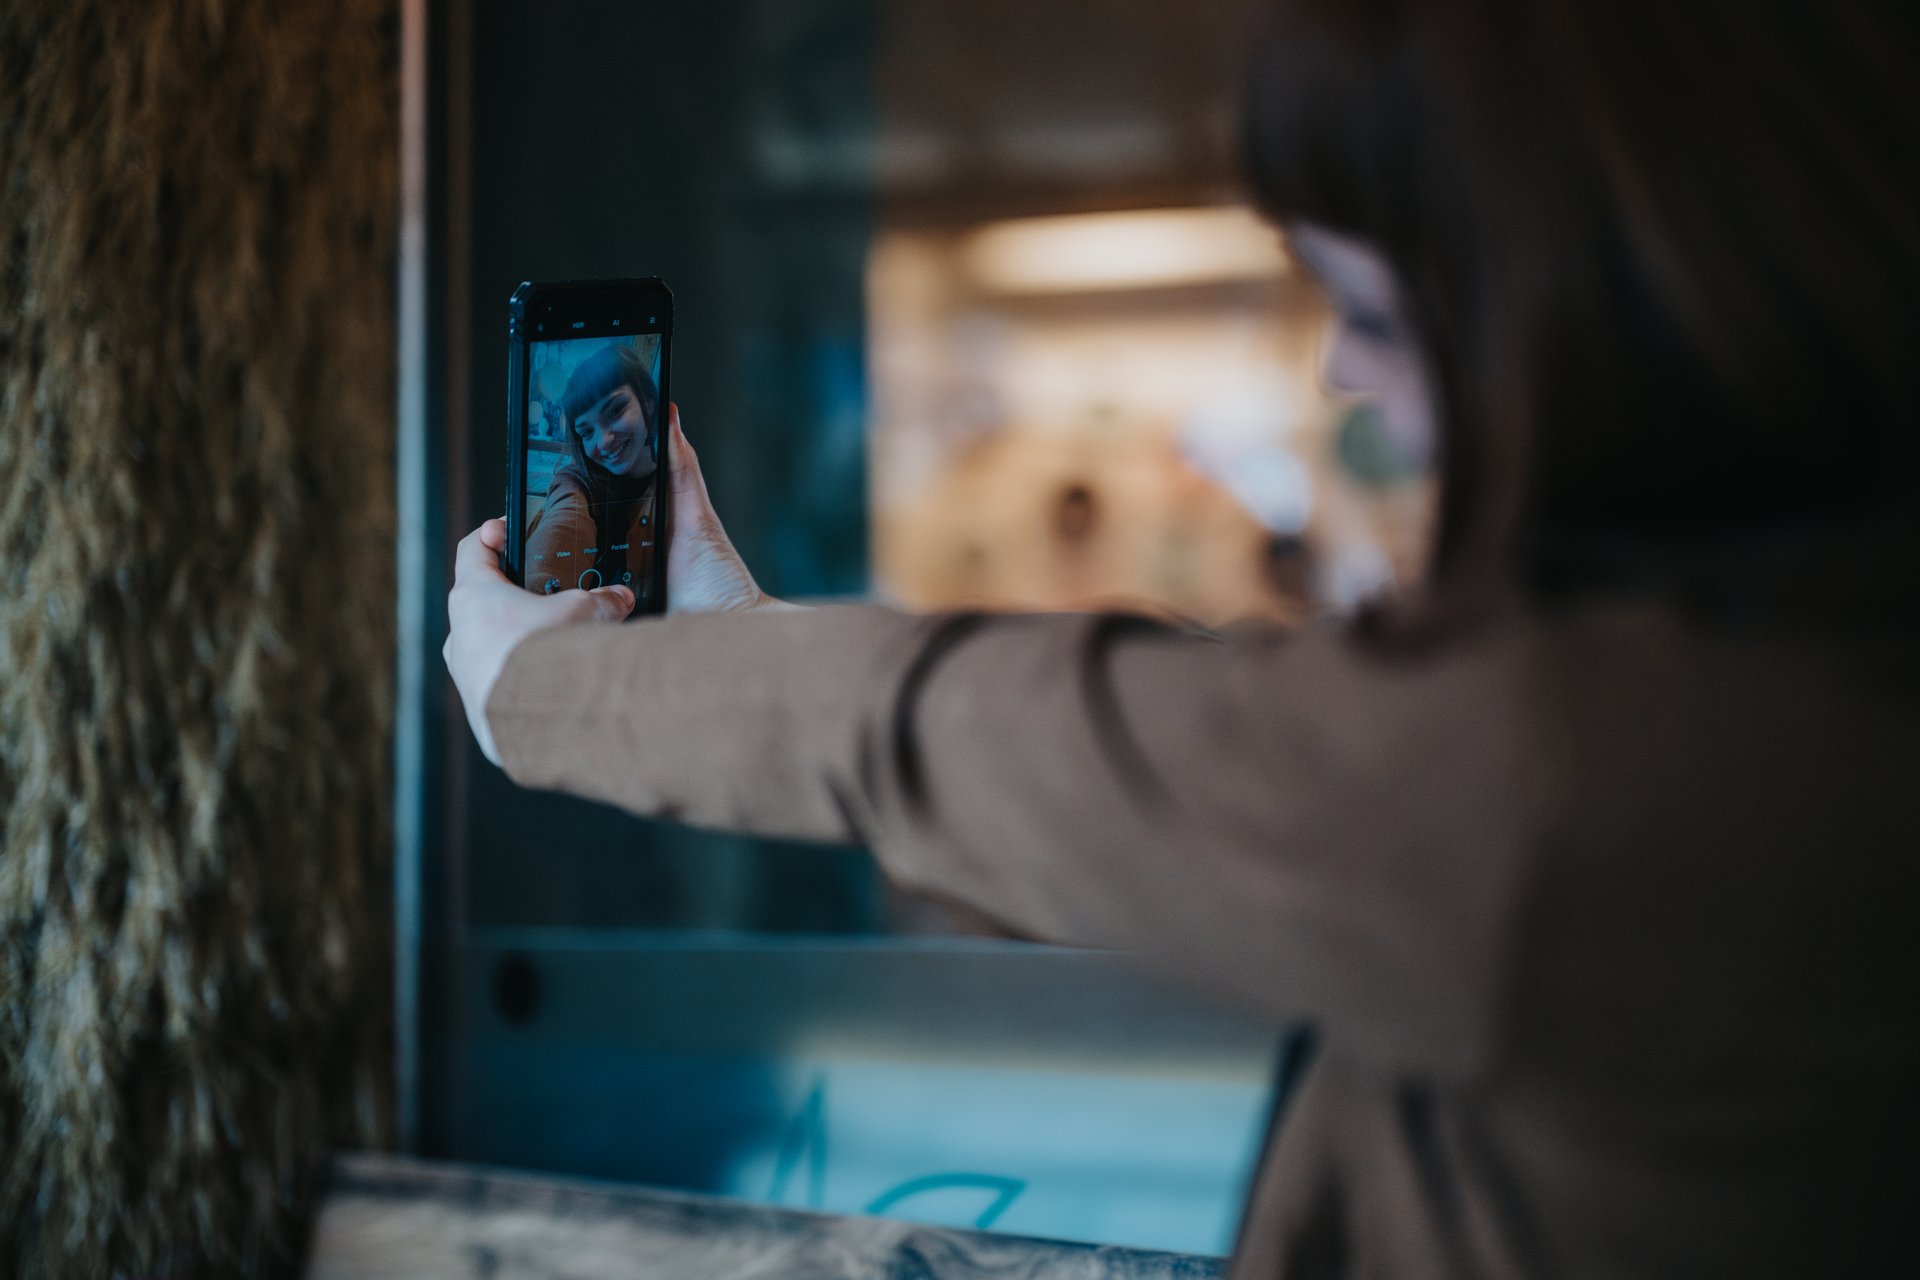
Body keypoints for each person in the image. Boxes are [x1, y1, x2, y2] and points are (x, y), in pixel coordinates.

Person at [445, 0, 1919, 1274]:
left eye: (1378, 320)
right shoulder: (1780, 689)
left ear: (1602, 323)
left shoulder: (1595, 786)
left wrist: (548, 691)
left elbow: (1013, 742)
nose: (1348, 374)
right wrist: (734, 634)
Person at [524, 341, 661, 596]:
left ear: (648, 402)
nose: (603, 441)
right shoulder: (575, 482)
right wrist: (538, 596)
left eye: (616, 410)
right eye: (587, 432)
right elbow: (564, 521)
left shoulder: (681, 486)